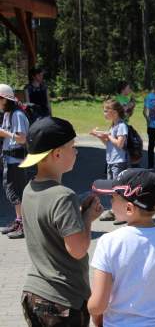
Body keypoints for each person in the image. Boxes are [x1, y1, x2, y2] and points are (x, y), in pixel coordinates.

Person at [18, 117, 103, 326]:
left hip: (34, 293)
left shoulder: (29, 189)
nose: (76, 152)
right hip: (62, 300)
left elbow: (49, 227)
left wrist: (79, 213)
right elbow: (78, 249)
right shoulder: (63, 196)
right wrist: (87, 217)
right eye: (73, 147)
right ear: (57, 154)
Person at [88, 168, 155, 327]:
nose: (110, 202)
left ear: (129, 209)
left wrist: (91, 308)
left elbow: (98, 305)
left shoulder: (109, 242)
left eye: (113, 197)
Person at [90, 99, 128, 224]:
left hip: (119, 161)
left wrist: (108, 136)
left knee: (118, 189)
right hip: (111, 161)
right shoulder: (113, 126)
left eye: (107, 111)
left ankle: (122, 214)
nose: (104, 113)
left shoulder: (122, 126)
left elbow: (120, 144)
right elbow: (109, 144)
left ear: (115, 112)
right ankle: (114, 211)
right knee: (112, 189)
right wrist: (101, 137)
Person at [0, 84, 29, 239]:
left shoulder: (17, 115)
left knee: (18, 191)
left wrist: (3, 133)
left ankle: (24, 224)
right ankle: (18, 220)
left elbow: (22, 138)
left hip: (17, 159)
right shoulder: (7, 114)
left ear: (5, 99)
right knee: (12, 191)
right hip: (8, 158)